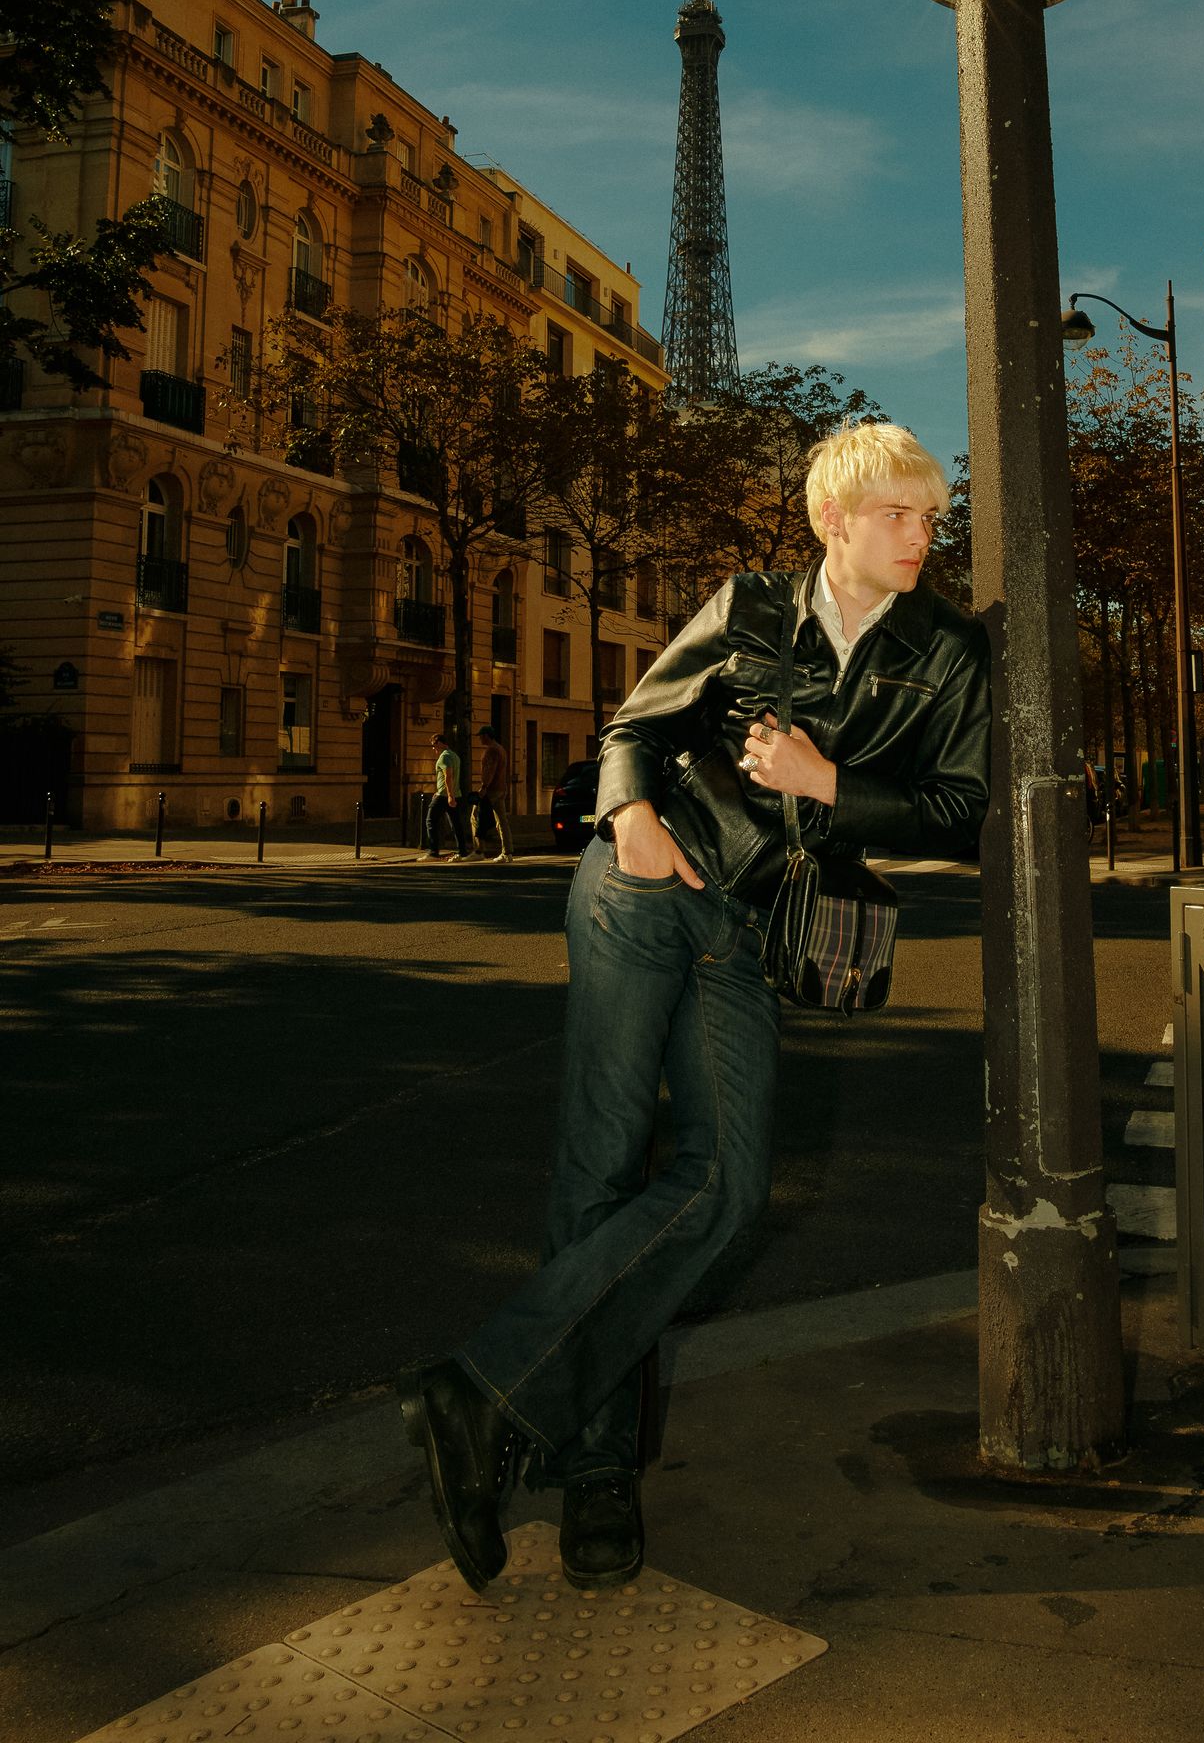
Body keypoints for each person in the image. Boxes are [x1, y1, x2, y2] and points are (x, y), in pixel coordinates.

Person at [397, 423, 991, 1597]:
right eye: (900, 515)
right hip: (643, 884)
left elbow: (964, 806)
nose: (924, 535)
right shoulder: (748, 606)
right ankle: (596, 1469)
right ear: (835, 520)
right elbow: (633, 725)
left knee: (724, 1183)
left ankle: (483, 1390)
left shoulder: (948, 649)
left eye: (932, 516)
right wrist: (626, 817)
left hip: (752, 926)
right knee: (603, 1163)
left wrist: (834, 786)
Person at [418, 731, 468, 861]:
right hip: (454, 794)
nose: (433, 749)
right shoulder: (455, 756)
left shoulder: (444, 757)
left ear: (439, 743)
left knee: (430, 821)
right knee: (456, 824)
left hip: (445, 796)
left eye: (434, 746)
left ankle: (433, 852)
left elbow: (448, 776)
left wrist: (449, 795)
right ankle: (462, 852)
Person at [474, 726, 514, 862]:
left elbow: (489, 770)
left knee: (475, 816)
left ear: (486, 736)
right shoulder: (501, 749)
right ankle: (507, 852)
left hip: (491, 790)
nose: (479, 738)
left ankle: (479, 850)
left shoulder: (491, 750)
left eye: (481, 736)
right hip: (501, 788)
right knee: (502, 821)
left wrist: (484, 786)